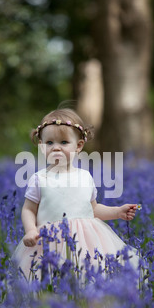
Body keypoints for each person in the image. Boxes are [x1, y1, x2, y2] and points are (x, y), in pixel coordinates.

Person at [12, 107, 141, 282]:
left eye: (64, 142)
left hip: (86, 242)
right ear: (42, 147)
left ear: (78, 146)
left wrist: (117, 211)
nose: (56, 147)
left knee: (90, 277)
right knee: (50, 280)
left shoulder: (85, 177)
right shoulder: (39, 179)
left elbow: (93, 209)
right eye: (49, 143)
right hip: (49, 242)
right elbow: (28, 209)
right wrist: (30, 230)